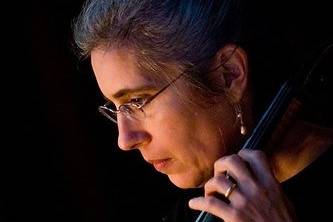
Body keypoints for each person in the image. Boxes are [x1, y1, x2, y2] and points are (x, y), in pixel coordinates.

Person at [73, 0, 333, 221]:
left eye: (137, 101)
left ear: (228, 75)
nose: (125, 140)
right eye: (115, 107)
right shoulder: (192, 210)